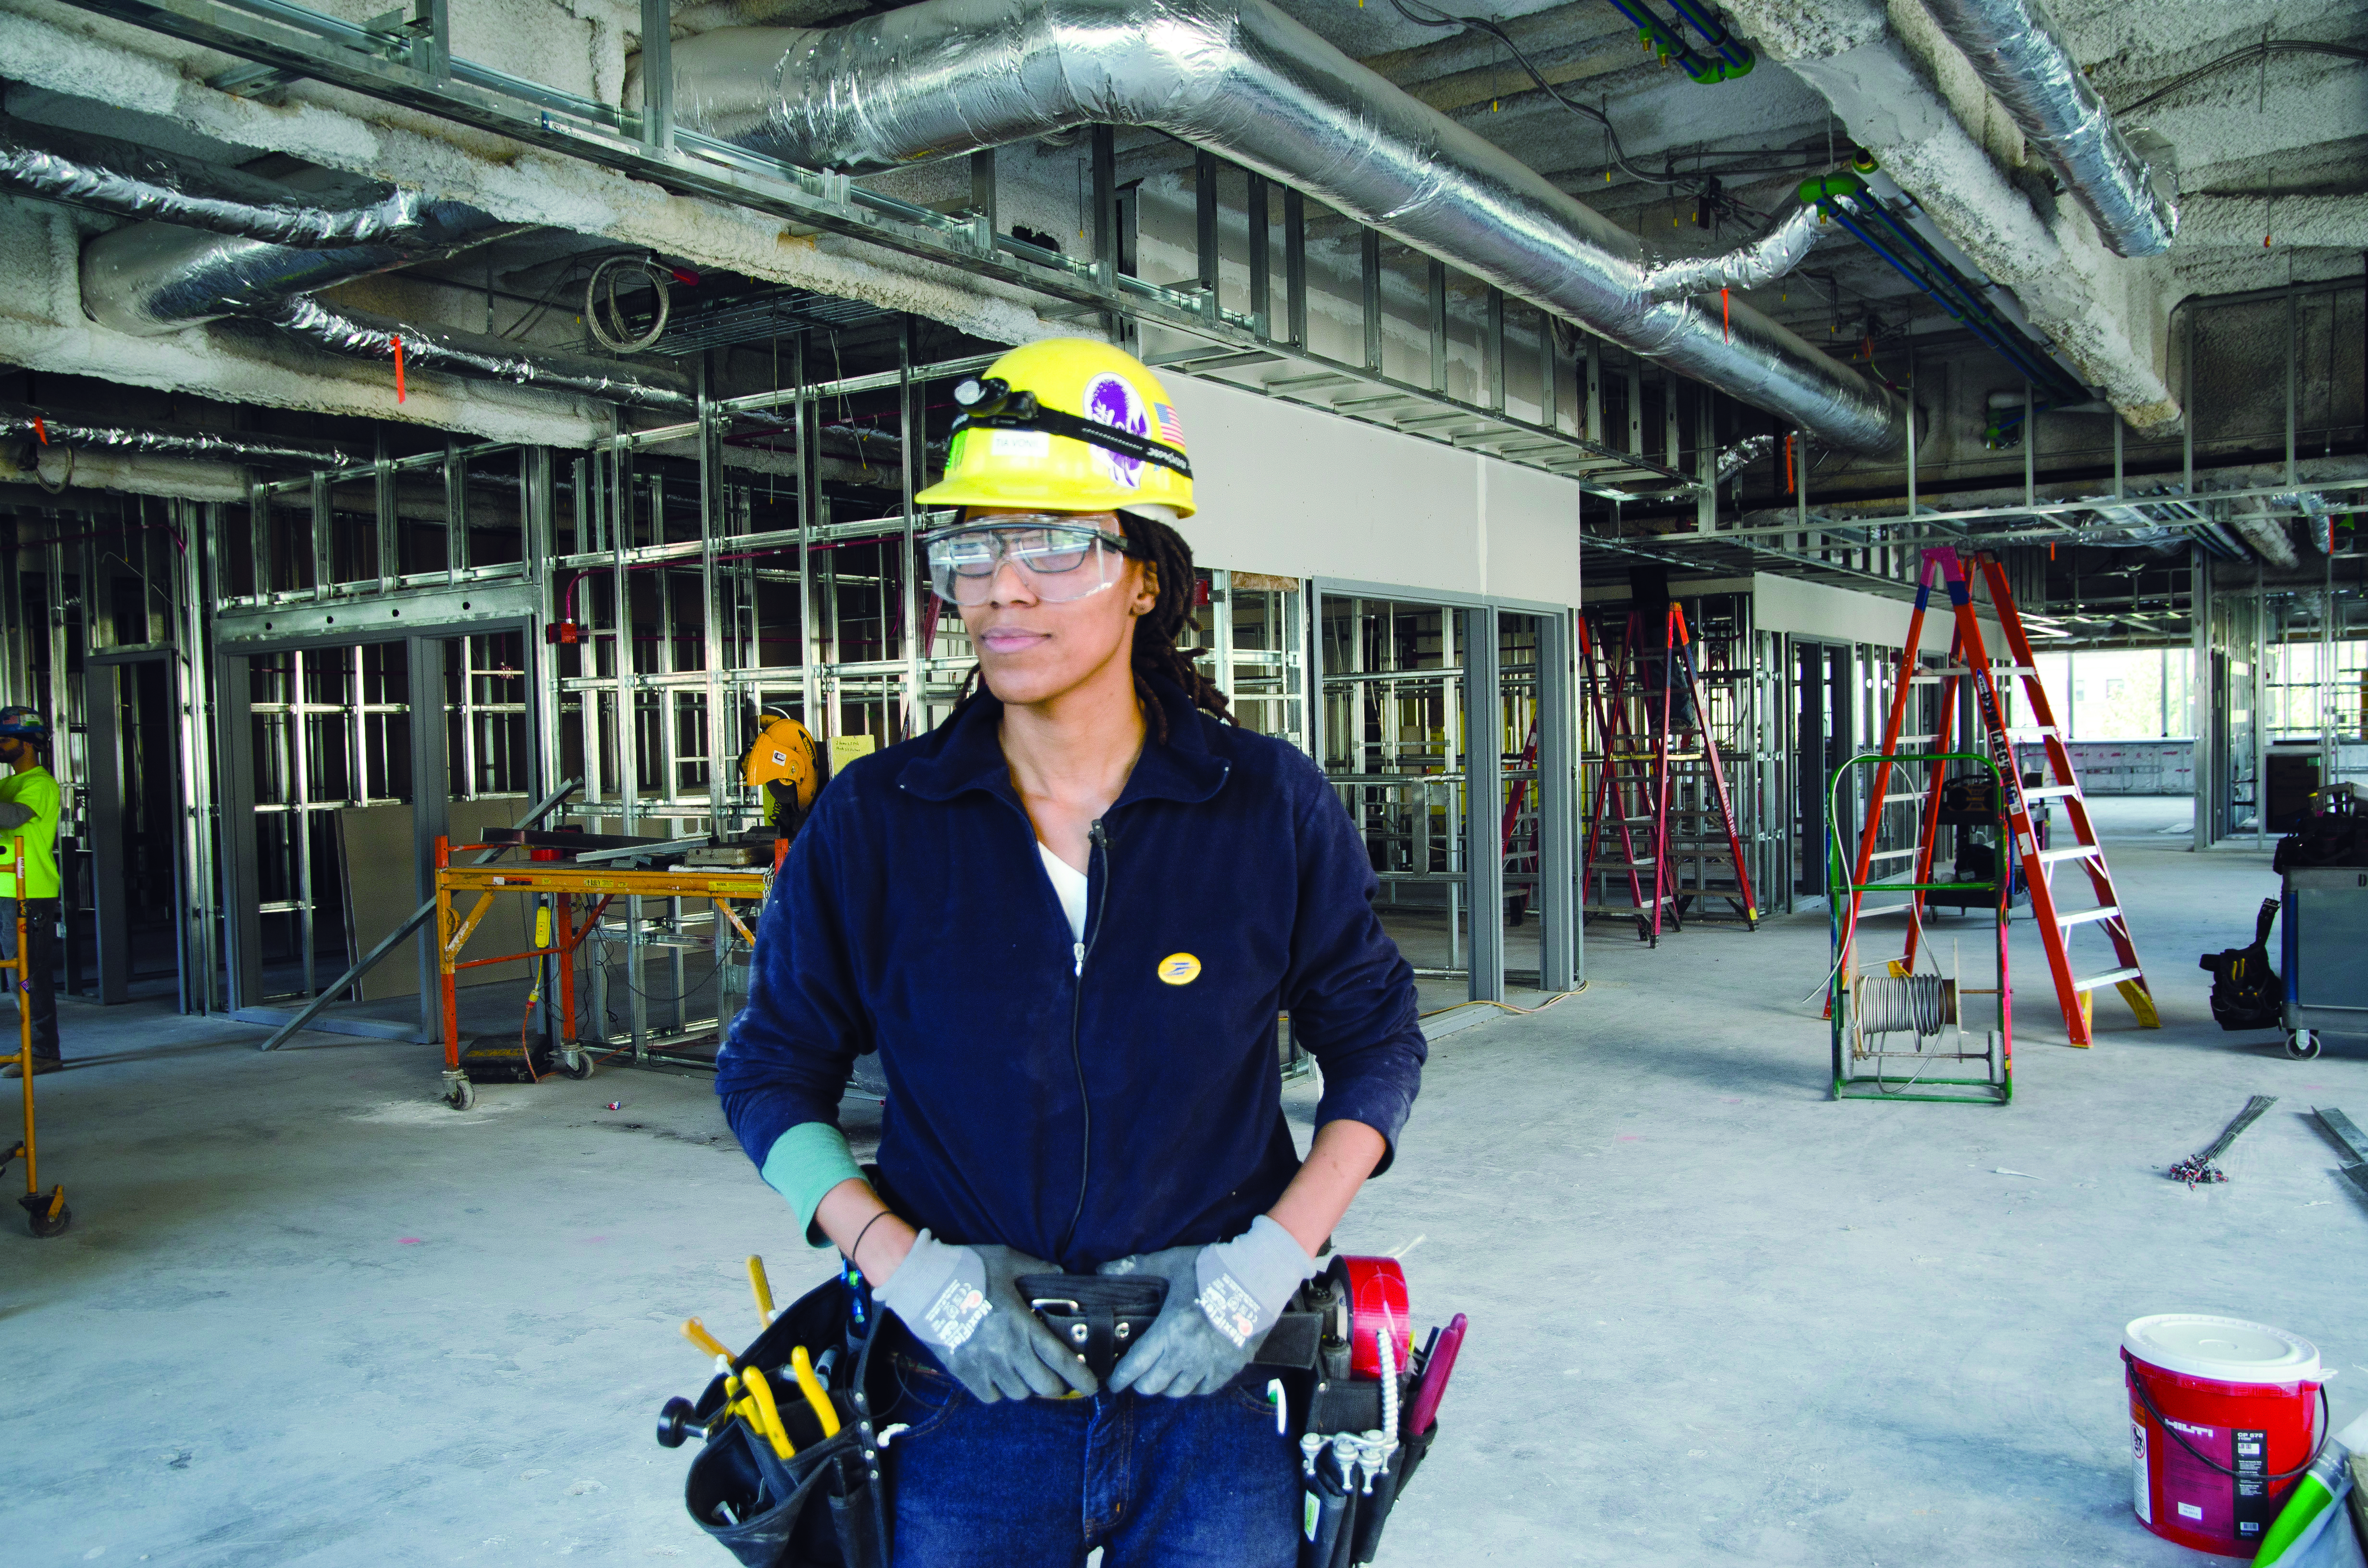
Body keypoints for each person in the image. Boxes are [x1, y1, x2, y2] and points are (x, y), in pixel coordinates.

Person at [713, 338, 1426, 1567]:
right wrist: (906, 1272)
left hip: (1207, 1391)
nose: (1002, 588)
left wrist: (1268, 1261)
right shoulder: (879, 822)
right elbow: (769, 1069)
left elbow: (1375, 1046)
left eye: (1054, 545)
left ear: (1145, 575)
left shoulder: (1262, 805)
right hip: (963, 1398)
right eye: (969, 549)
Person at [0, 706, 61, 1077]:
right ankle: (30, 1042)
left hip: (30, 890)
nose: (0, 746)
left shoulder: (40, 783)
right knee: (14, 973)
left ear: (27, 745)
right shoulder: (7, 785)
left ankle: (44, 1050)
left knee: (30, 972)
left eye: (5, 740)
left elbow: (11, 818)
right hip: (7, 888)